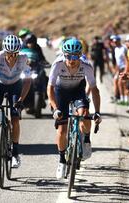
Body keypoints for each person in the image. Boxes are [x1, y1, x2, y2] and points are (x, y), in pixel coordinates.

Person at [47, 38, 102, 179]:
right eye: (69, 56)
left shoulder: (86, 65)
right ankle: (61, 161)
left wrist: (98, 111)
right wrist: (55, 108)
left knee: (84, 114)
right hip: (61, 92)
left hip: (78, 90)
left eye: (75, 56)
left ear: (80, 55)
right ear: (64, 55)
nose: (72, 60)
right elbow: (50, 88)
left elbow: (94, 90)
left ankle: (87, 140)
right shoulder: (58, 64)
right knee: (62, 129)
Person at [0, 35, 32, 168]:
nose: (12, 56)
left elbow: (27, 81)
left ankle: (15, 153)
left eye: (15, 53)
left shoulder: (23, 58)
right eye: (9, 53)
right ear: (5, 51)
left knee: (15, 119)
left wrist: (21, 100)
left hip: (15, 86)